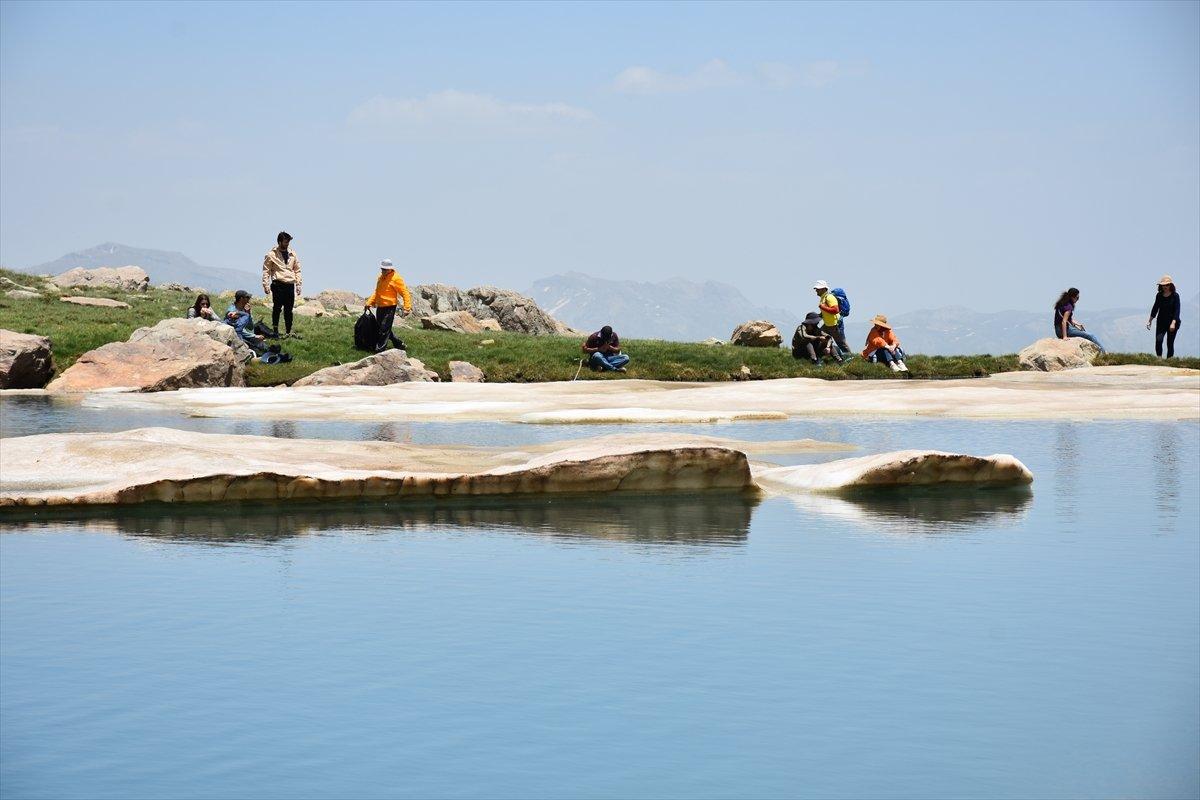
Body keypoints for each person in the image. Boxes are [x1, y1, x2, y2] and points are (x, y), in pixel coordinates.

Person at [363, 259, 412, 352]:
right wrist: (369, 302)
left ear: (390, 269)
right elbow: (377, 292)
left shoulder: (396, 278)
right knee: (382, 328)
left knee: (384, 329)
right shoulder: (380, 277)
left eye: (385, 269)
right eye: (382, 269)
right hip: (380, 307)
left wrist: (407, 308)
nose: (383, 271)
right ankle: (399, 344)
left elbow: (405, 293)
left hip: (390, 307)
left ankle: (379, 350)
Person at [262, 231, 302, 338]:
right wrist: (265, 285)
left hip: (290, 284)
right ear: (280, 241)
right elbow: (266, 270)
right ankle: (275, 330)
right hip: (278, 284)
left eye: (288, 242)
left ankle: (288, 332)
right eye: (285, 242)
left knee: (289, 310)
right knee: (277, 308)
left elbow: (297, 270)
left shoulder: (293, 254)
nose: (287, 244)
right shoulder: (271, 254)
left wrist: (298, 284)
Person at [812, 280, 850, 362]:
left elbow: (835, 310)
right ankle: (823, 357)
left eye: (818, 289)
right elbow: (826, 312)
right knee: (820, 338)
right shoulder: (823, 298)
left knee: (841, 343)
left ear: (824, 289)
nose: (816, 290)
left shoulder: (829, 297)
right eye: (816, 288)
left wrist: (823, 307)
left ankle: (850, 358)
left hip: (835, 324)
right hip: (827, 324)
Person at [225, 290, 270, 355]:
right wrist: (254, 336)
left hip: (247, 334)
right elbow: (237, 329)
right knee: (253, 348)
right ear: (241, 299)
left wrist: (248, 313)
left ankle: (271, 352)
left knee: (263, 346)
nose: (249, 299)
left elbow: (250, 327)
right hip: (237, 336)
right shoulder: (232, 312)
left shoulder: (245, 309)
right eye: (247, 298)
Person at [1147, 275, 1181, 359]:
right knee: (1159, 340)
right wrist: (1150, 320)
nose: (1165, 287)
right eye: (1163, 285)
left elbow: (1177, 310)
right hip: (1161, 322)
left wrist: (1173, 323)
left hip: (1172, 322)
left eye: (1167, 285)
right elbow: (1155, 308)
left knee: (1170, 343)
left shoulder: (1175, 296)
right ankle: (1159, 359)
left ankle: (1170, 360)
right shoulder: (1159, 295)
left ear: (1170, 285)